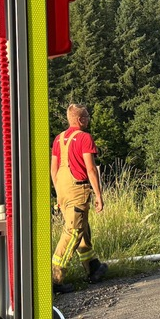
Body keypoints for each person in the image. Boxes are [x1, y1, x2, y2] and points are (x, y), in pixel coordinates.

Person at [50, 104, 107, 294]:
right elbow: (90, 169)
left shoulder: (59, 139)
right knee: (73, 231)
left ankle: (93, 268)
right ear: (80, 120)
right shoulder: (84, 138)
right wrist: (98, 194)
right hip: (77, 189)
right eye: (87, 117)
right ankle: (55, 279)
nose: (89, 119)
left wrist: (58, 192)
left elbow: (54, 169)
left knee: (83, 227)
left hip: (63, 188)